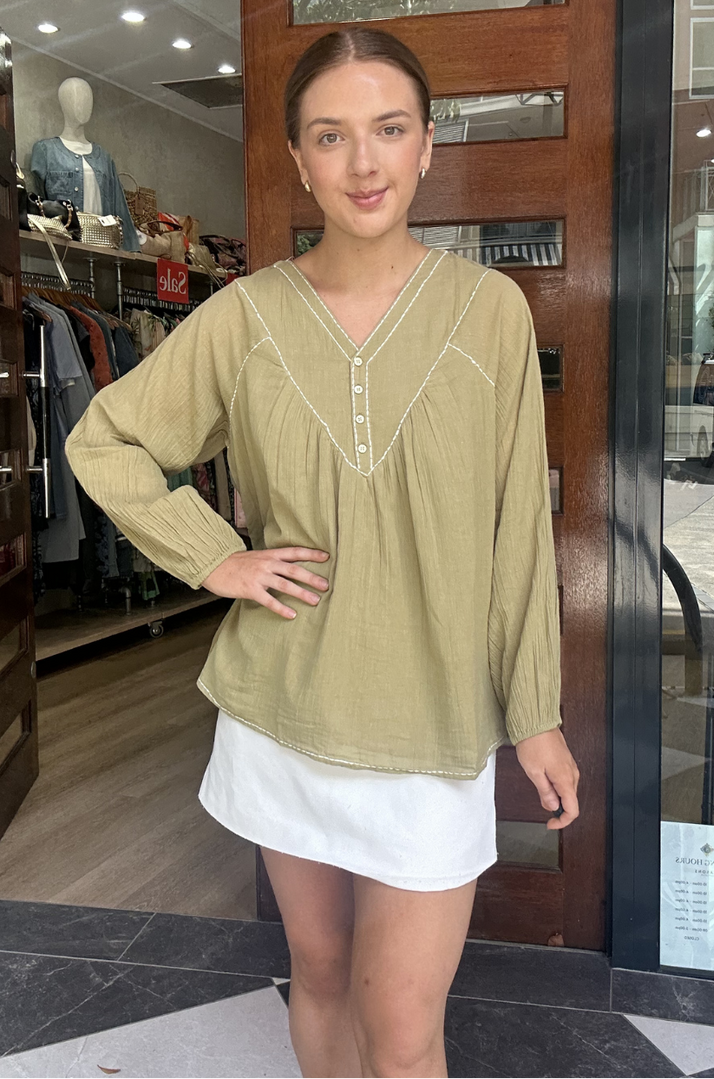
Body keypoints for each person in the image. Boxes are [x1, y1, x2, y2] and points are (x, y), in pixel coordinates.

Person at [65, 25, 580, 1079]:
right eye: (331, 135)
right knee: (325, 972)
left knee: (402, 1023)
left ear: (428, 144)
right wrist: (215, 556)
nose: (363, 162)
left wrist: (535, 714)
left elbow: (515, 530)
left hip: (433, 726)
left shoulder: (490, 314)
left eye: (389, 129)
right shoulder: (244, 316)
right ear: (298, 159)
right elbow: (102, 435)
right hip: (285, 710)